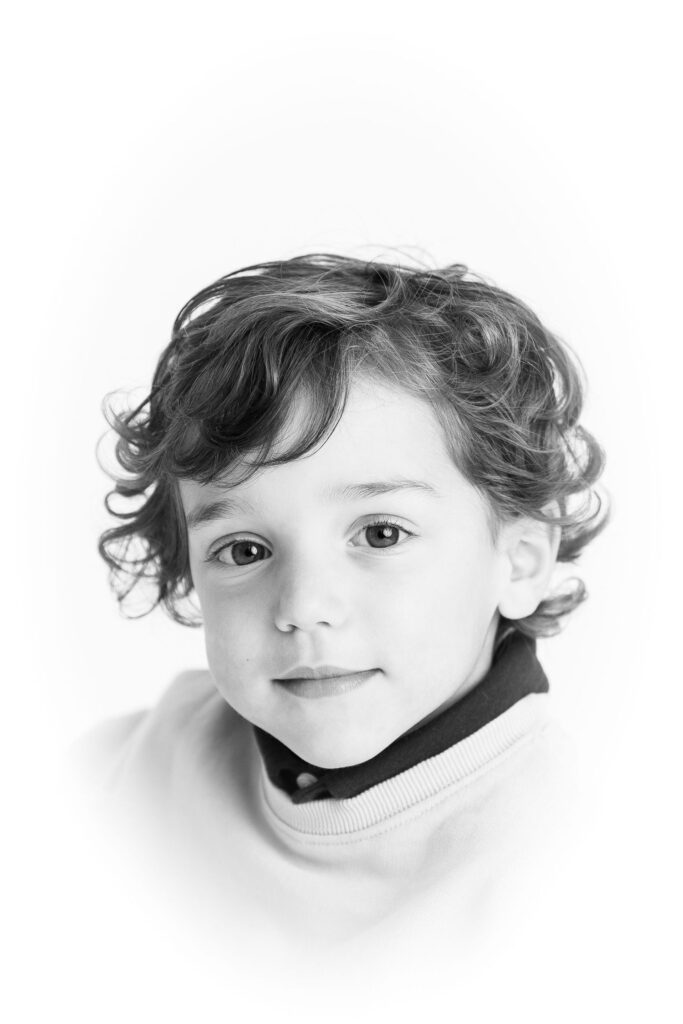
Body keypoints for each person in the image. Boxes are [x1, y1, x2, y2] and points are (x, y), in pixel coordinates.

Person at [72, 253, 608, 953]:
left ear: (519, 562)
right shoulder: (140, 762)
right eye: (243, 550)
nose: (304, 606)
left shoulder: (571, 867)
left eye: (381, 533)